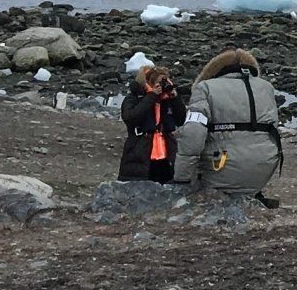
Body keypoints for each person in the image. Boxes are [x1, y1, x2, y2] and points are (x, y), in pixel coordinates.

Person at [179, 46, 285, 203]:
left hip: (221, 167)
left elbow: (193, 132)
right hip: (264, 166)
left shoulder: (205, 88)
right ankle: (251, 196)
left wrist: (182, 179)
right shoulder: (267, 87)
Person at [117, 64, 186, 183]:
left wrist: (175, 99)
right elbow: (130, 118)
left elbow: (181, 119)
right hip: (140, 152)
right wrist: (151, 96)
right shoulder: (135, 97)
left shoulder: (167, 100)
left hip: (166, 155)